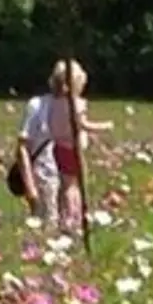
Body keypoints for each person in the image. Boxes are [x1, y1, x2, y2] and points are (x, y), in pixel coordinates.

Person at [47, 59, 112, 230]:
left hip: (58, 146)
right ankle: (73, 217)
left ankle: (62, 215)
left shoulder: (53, 103)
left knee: (64, 183)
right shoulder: (77, 103)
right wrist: (104, 126)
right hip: (72, 148)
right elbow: (82, 124)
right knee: (73, 185)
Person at [14, 86, 59, 229]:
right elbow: (22, 148)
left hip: (68, 180)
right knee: (45, 227)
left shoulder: (75, 107)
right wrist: (30, 188)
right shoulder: (38, 106)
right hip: (43, 178)